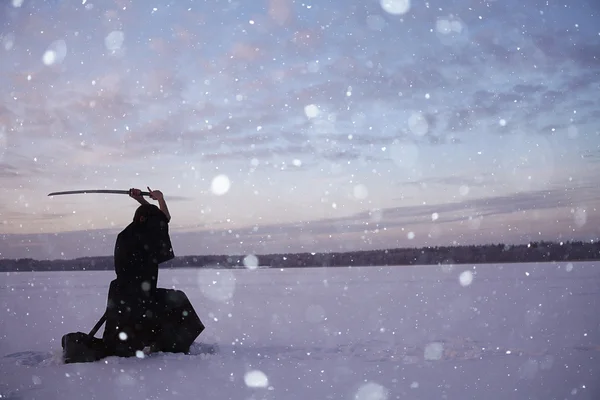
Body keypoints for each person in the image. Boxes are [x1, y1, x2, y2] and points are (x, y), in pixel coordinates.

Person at [102, 187, 175, 357]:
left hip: (126, 288)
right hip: (139, 290)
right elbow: (164, 219)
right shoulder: (146, 234)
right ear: (144, 219)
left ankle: (131, 342)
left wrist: (141, 201)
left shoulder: (129, 233)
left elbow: (157, 219)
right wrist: (160, 199)